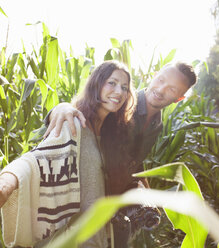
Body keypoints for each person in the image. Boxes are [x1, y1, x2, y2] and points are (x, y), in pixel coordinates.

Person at [0, 60, 136, 248]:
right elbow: (37, 159)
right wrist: (7, 182)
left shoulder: (112, 136)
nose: (119, 92)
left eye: (125, 87)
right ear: (97, 84)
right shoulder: (75, 124)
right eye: (112, 83)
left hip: (99, 238)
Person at [44, 62, 197, 197]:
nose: (161, 90)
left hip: (113, 204)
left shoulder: (157, 126)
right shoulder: (118, 103)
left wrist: (148, 193)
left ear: (179, 98)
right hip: (82, 195)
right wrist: (60, 108)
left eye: (172, 89)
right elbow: (83, 110)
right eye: (161, 80)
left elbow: (135, 161)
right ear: (154, 75)